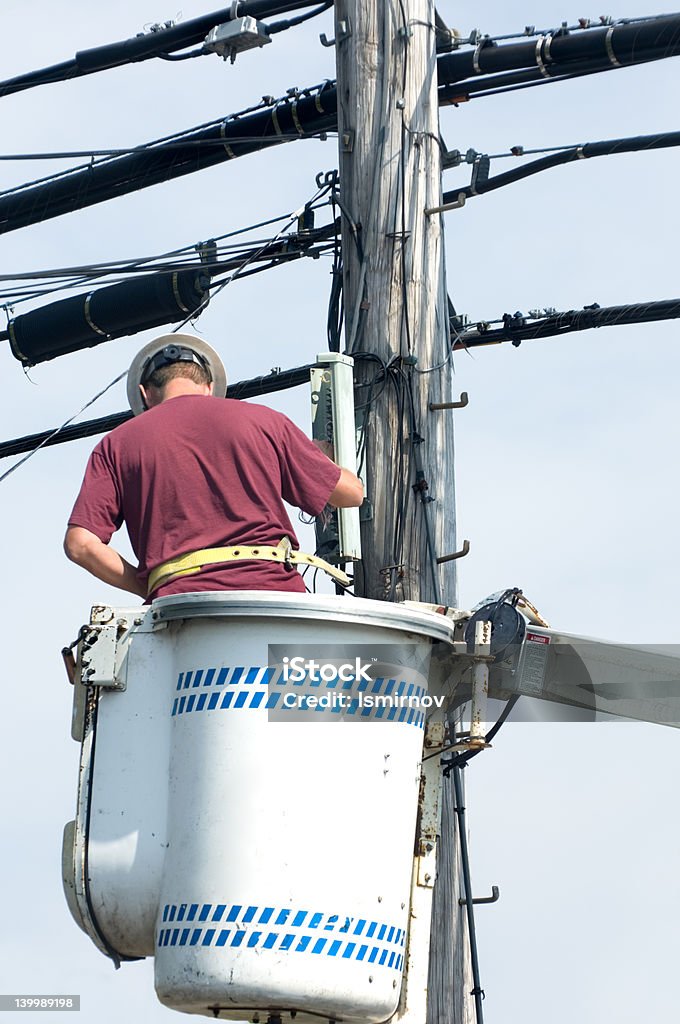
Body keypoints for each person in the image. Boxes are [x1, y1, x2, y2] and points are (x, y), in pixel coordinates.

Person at [64, 335, 364, 600]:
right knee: (380, 665)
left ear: (145, 394)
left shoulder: (115, 445)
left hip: (181, 611)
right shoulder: (264, 421)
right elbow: (351, 494)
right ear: (208, 387)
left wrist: (152, 587)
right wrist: (318, 456)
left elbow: (81, 544)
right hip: (274, 598)